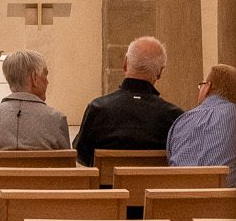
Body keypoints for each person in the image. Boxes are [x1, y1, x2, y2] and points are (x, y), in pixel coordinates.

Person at [74, 36, 181, 167]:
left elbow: (81, 156)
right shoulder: (174, 117)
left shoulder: (97, 109)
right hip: (154, 180)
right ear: (160, 73)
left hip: (108, 181)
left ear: (125, 64)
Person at [0, 49, 70, 152]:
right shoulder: (56, 119)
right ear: (35, 78)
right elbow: (67, 160)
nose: (47, 82)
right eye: (45, 75)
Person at [168, 61, 236, 185]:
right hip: (225, 196)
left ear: (207, 87)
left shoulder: (181, 121)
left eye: (201, 85)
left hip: (180, 195)